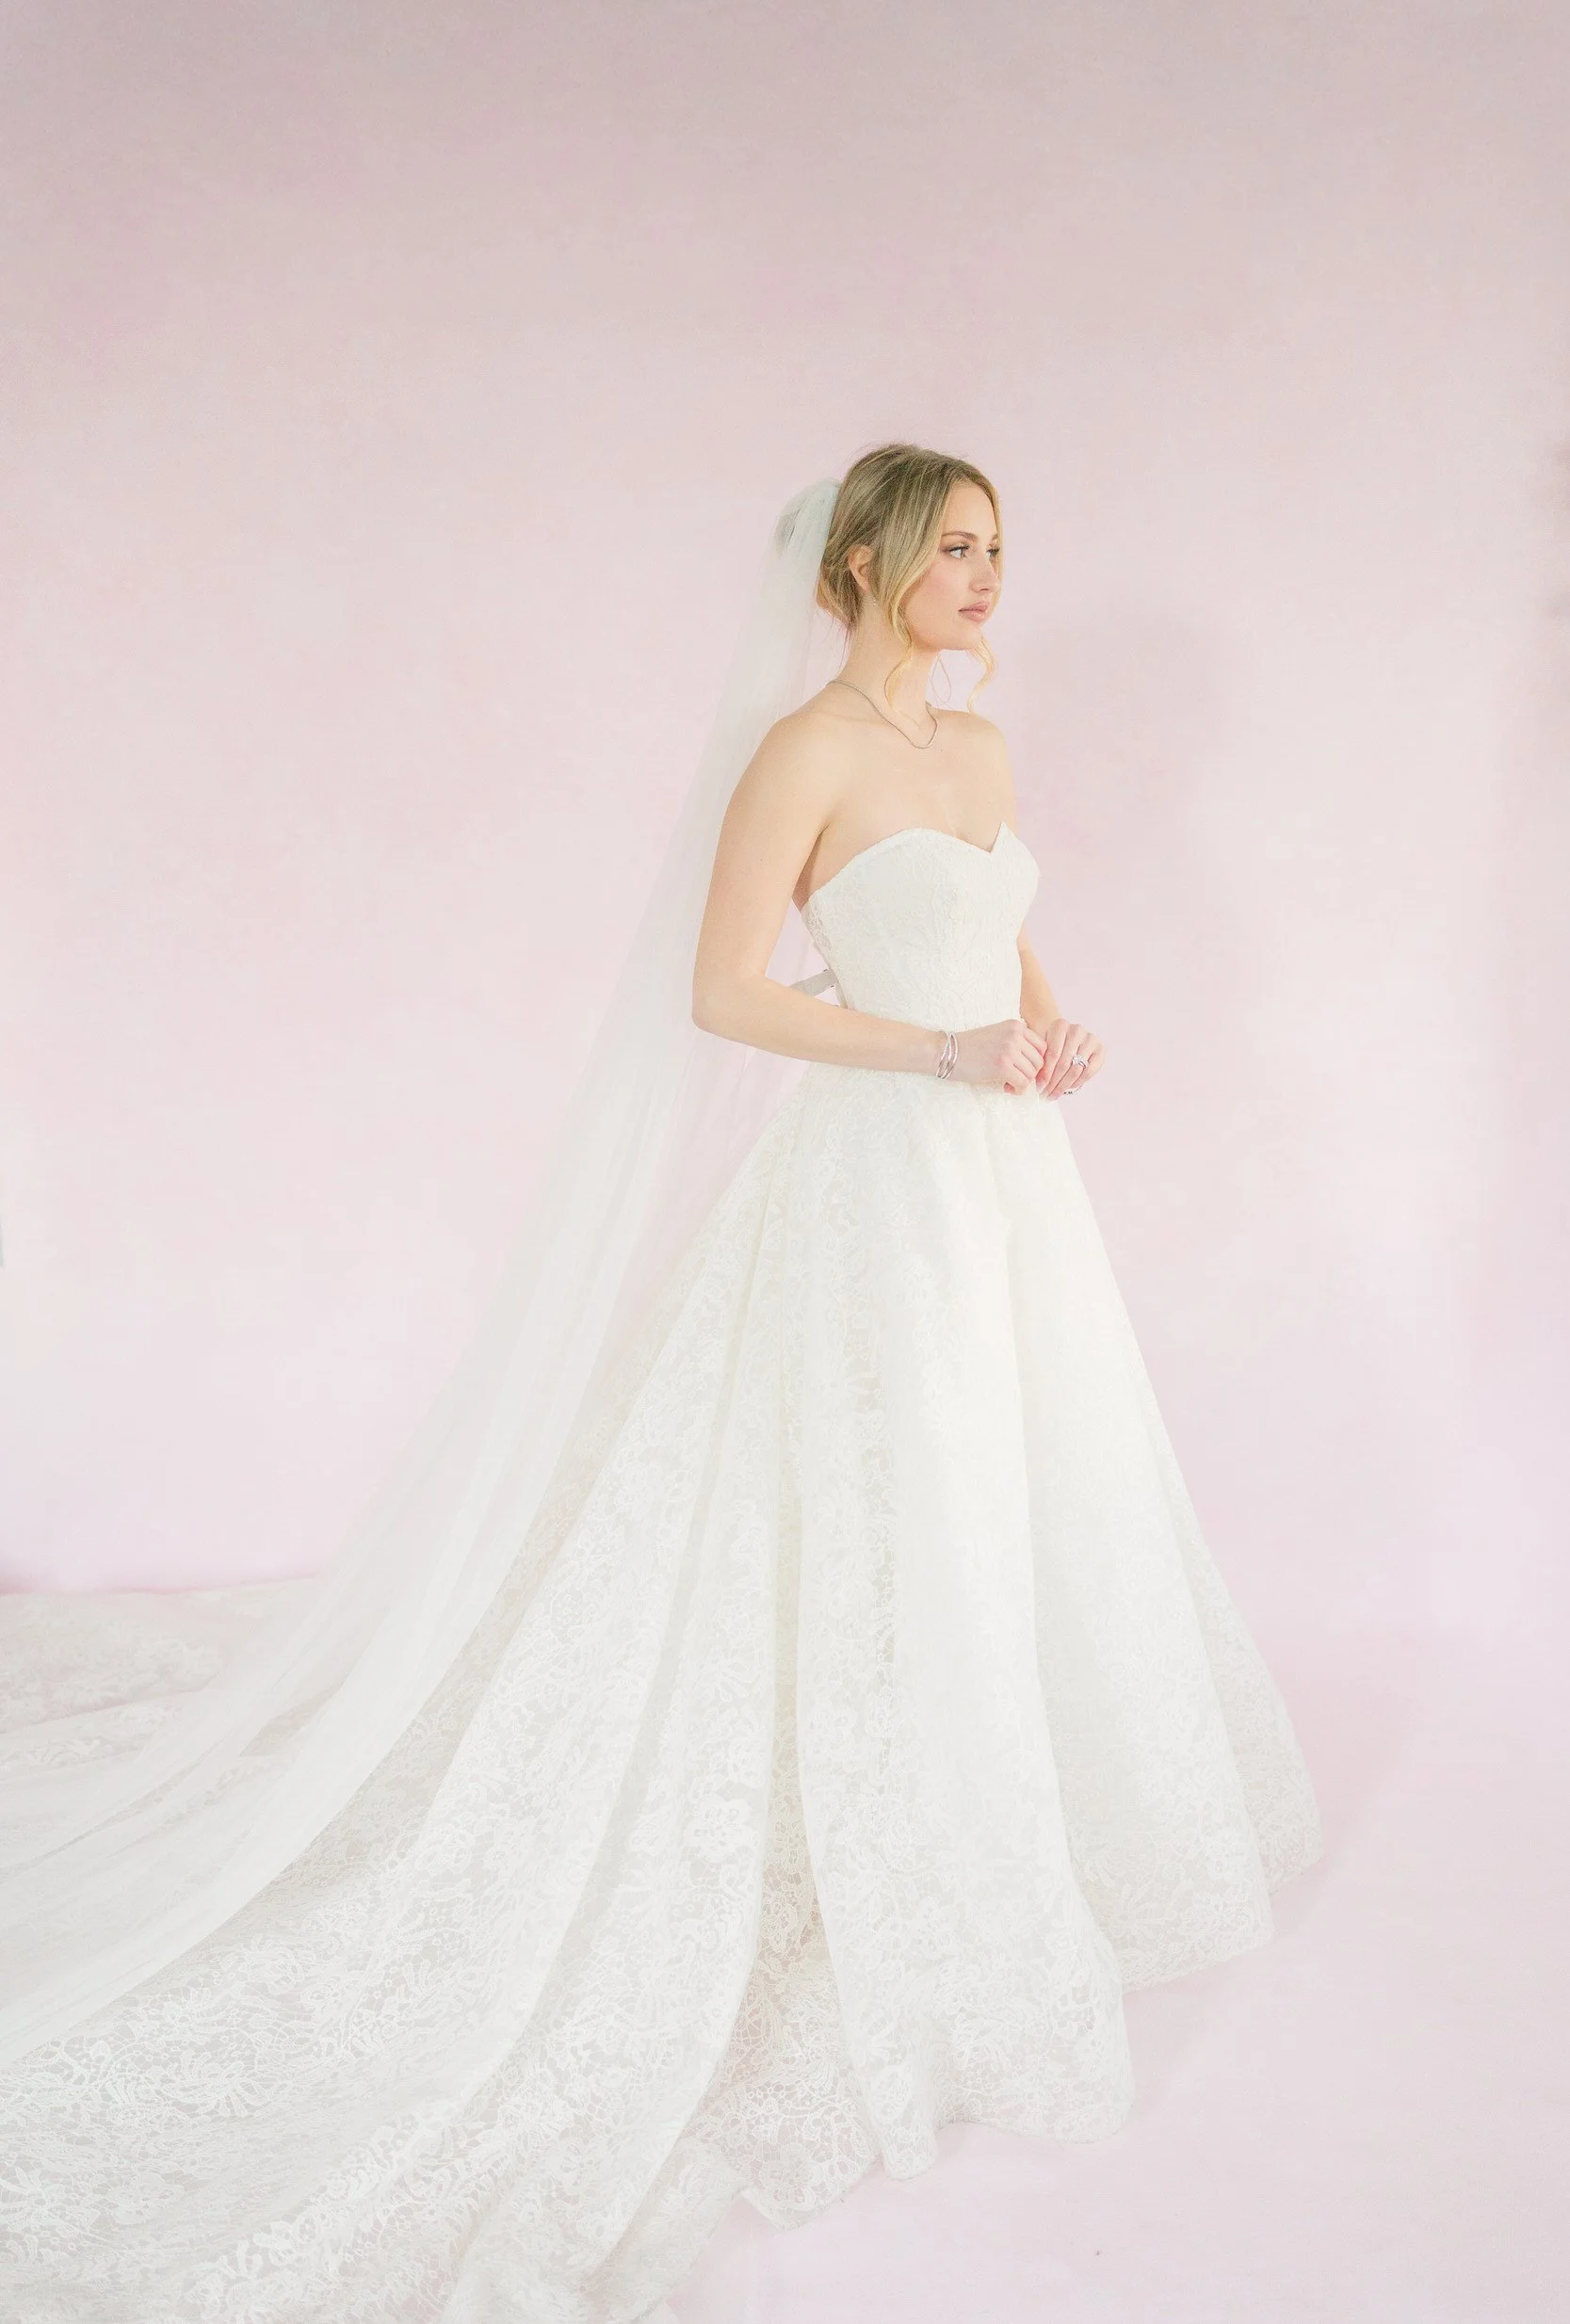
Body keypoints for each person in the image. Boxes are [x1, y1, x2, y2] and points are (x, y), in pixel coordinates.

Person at [0, 444, 1320, 2324]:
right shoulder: (804, 751)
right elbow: (725, 991)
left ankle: (989, 1811)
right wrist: (932, 1051)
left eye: (997, 549)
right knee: (896, 1491)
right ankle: (882, 1821)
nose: (983, 577)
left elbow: (1004, 943)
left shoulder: (975, 747)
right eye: (950, 547)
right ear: (860, 562)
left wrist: (1040, 1024)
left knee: (1014, 1482)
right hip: (876, 1172)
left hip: (1000, 1171)